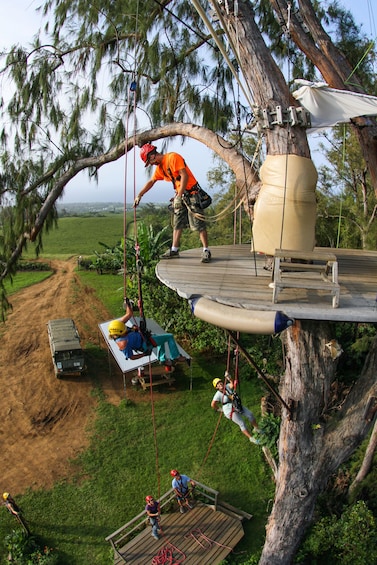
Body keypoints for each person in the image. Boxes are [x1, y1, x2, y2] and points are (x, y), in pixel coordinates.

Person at [134, 144, 212, 264]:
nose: (151, 164)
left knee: (198, 224)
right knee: (177, 222)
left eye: (149, 160)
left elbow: (184, 175)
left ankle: (206, 250)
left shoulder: (173, 157)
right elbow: (152, 181)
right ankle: (174, 250)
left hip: (192, 193)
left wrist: (179, 196)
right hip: (181, 195)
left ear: (152, 155)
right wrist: (140, 195)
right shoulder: (161, 168)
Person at [108, 300, 189, 366]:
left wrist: (128, 303)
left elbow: (129, 314)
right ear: (119, 333)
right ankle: (176, 356)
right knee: (169, 336)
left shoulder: (118, 326)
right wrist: (144, 354)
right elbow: (131, 357)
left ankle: (162, 359)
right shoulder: (123, 344)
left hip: (144, 336)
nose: (126, 329)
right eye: (124, 331)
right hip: (145, 344)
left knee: (160, 340)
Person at [211, 372, 261, 444]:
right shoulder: (218, 395)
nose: (220, 384)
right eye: (218, 384)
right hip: (229, 410)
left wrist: (229, 377)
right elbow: (213, 404)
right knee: (242, 423)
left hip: (236, 405)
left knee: (250, 414)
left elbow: (232, 384)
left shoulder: (227, 386)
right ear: (216, 387)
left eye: (220, 382)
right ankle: (252, 438)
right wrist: (219, 409)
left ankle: (257, 428)